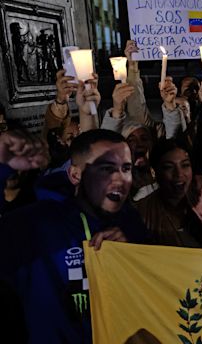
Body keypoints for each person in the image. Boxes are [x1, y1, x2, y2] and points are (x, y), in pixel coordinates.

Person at [0, 129, 149, 343]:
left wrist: (131, 256)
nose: (120, 180)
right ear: (75, 175)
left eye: (126, 169)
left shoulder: (131, 223)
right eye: (106, 169)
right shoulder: (36, 223)